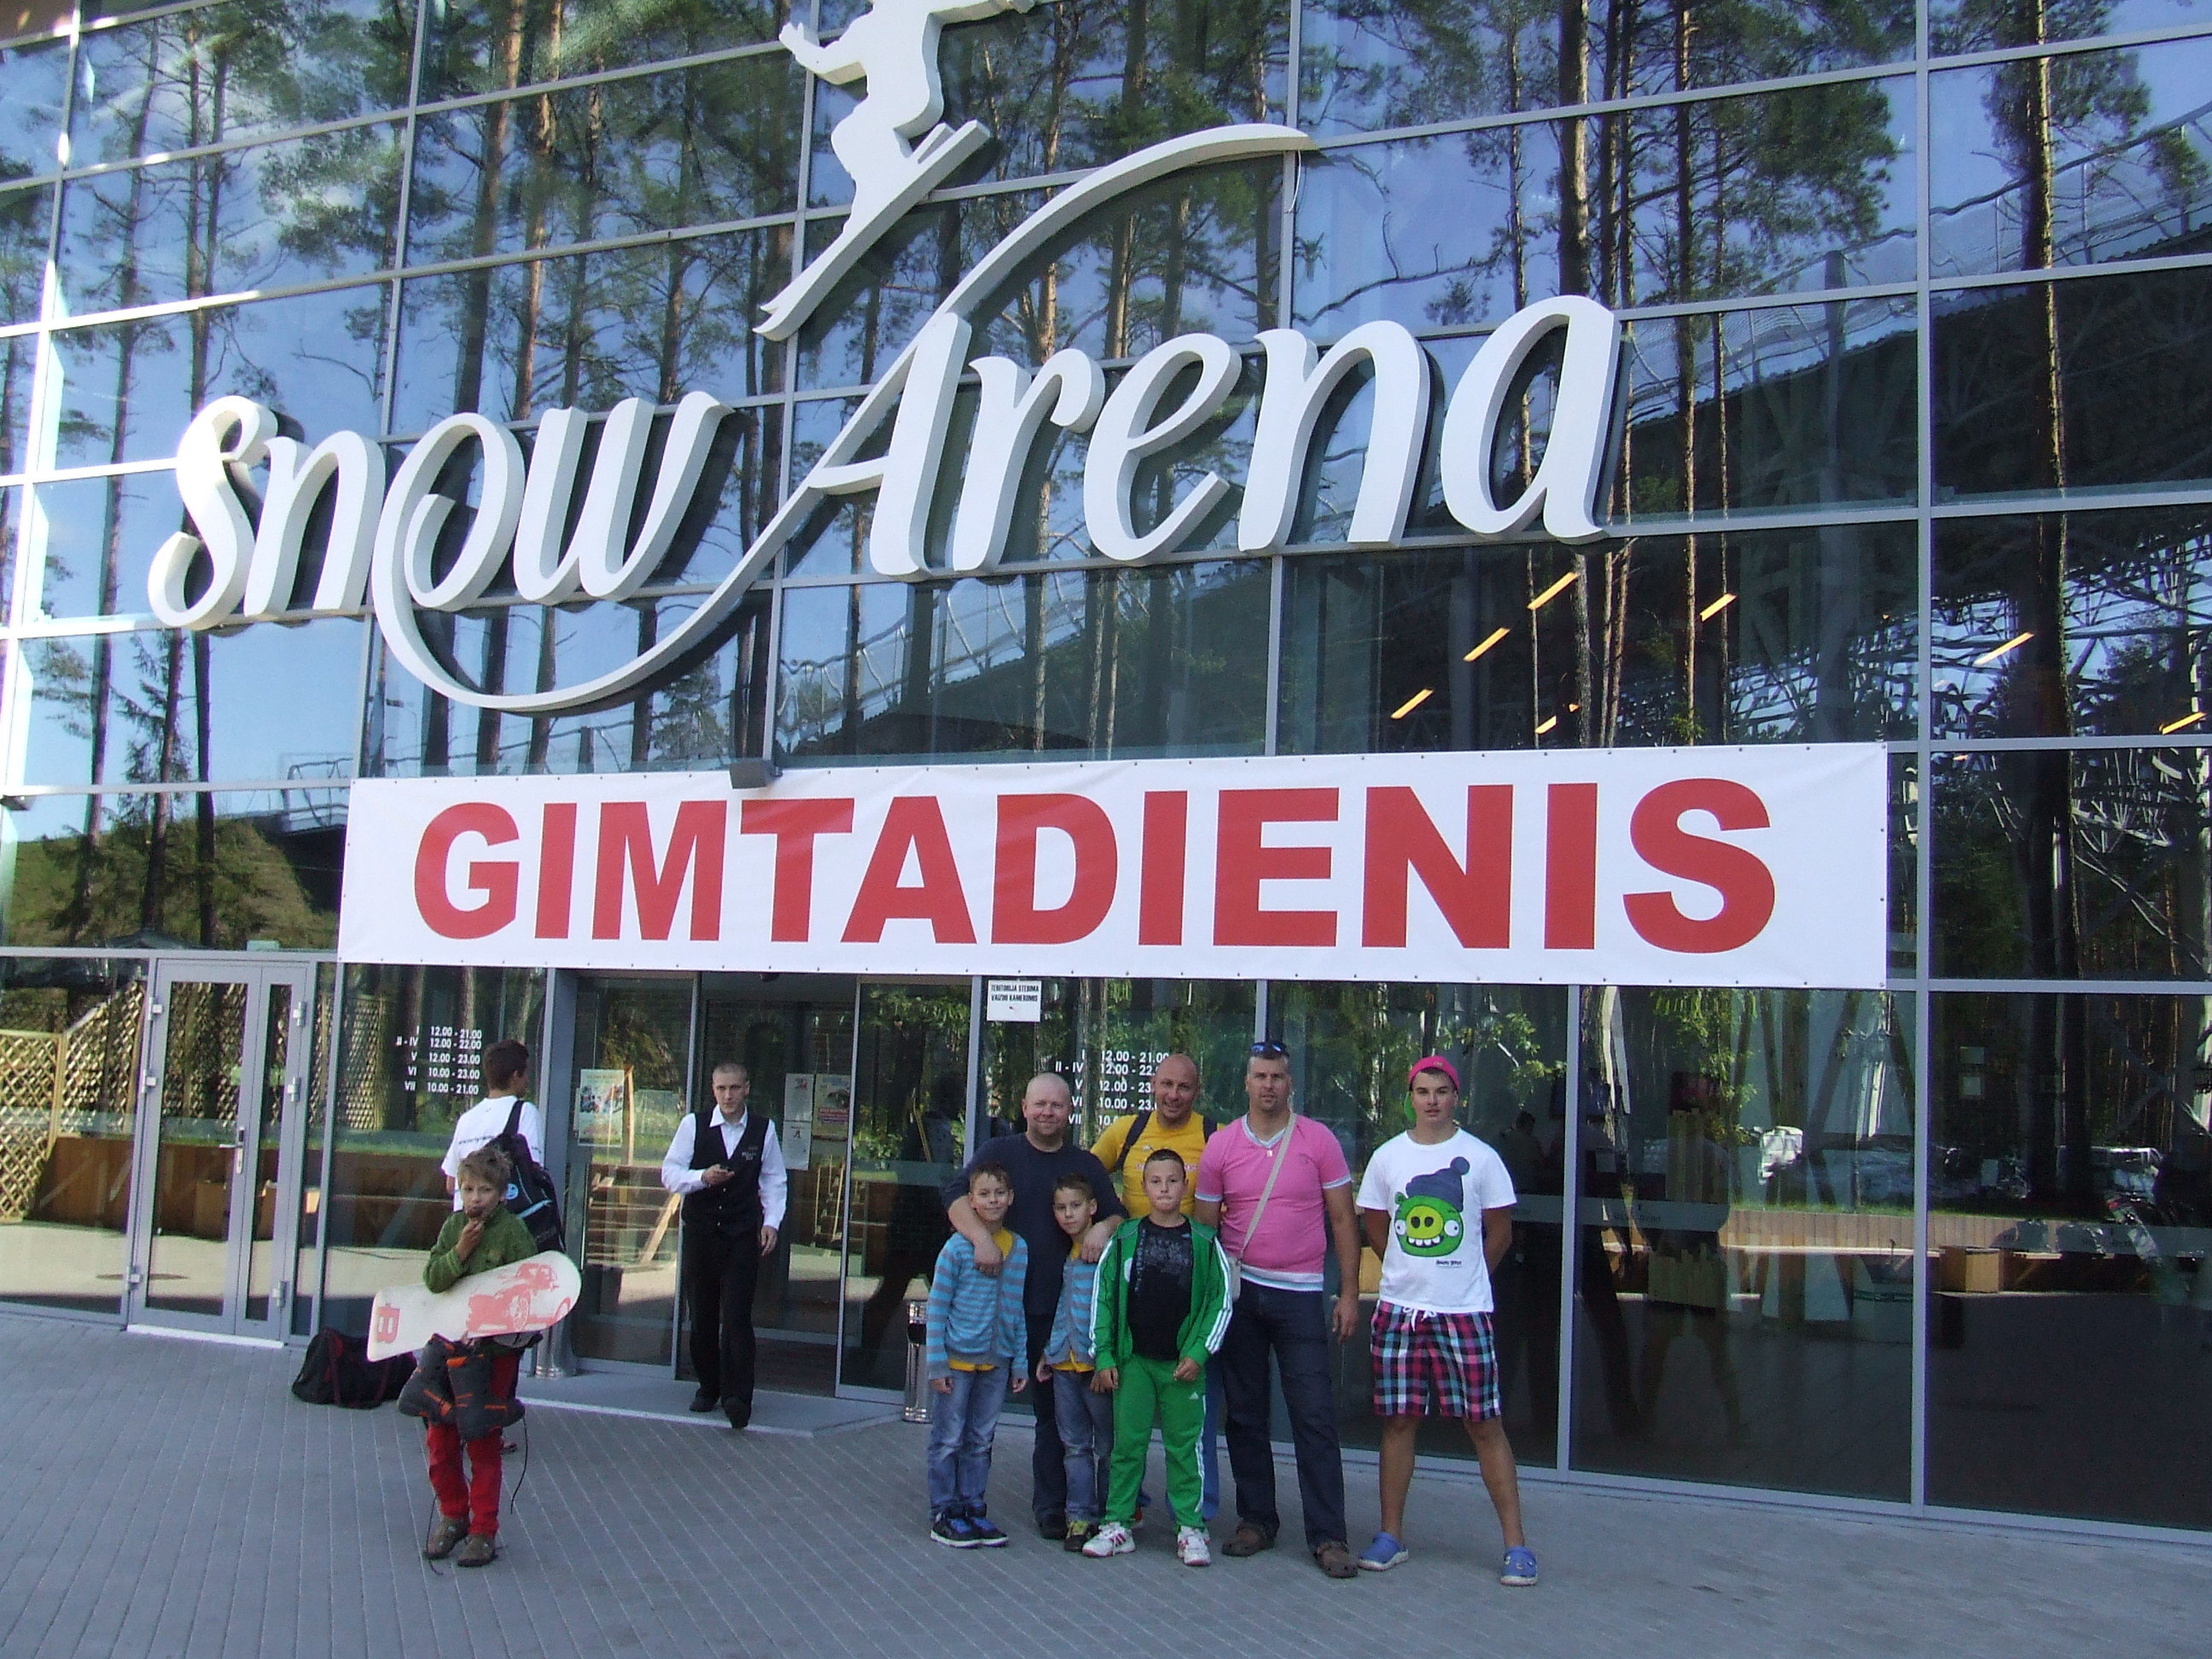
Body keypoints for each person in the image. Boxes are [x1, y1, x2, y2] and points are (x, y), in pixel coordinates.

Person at [1353, 1057, 1537, 1586]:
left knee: (1484, 1424)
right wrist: (1410, 1276)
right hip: (1400, 1311)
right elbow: (1376, 1227)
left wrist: (1465, 1280)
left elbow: (1499, 1233)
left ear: (1456, 1097)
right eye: (1422, 1091)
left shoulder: (1481, 1158)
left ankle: (1517, 1546)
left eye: (1441, 1091)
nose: (1431, 1100)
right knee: (1398, 1421)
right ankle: (1391, 1536)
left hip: (1464, 1313)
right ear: (1410, 1098)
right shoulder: (1388, 1157)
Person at [1194, 1040, 1362, 1579]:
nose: (1269, 1085)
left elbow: (1344, 1220)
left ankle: (1329, 1535)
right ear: (1246, 1083)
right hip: (1242, 1296)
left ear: (1290, 1084)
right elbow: (1204, 1231)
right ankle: (1256, 1521)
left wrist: (1350, 1293)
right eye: (1260, 1076)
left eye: (1278, 1077)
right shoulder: (1221, 1146)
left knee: (1313, 1415)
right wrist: (1205, 1304)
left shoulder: (1319, 1141)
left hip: (1301, 1295)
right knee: (1244, 1414)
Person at [942, 1072, 1123, 1538]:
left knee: (1054, 1418)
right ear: (1024, 1107)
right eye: (1039, 1104)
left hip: (1054, 1312)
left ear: (1070, 1111)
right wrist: (981, 1239)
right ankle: (954, 1505)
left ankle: (1054, 1508)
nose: (1047, 1112)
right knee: (967, 1417)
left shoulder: (1084, 1165)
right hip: (992, 1311)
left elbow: (1116, 1213)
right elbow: (955, 1195)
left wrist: (1102, 1230)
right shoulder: (998, 1153)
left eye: (1057, 1105)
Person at [1089, 1052, 1225, 1520]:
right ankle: (1127, 1509)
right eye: (1166, 1084)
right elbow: (1086, 1179)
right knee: (1131, 1423)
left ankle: (1195, 1516)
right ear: (1152, 1084)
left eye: (1184, 1087)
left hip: (1189, 1287)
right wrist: (1107, 1222)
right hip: (1136, 1284)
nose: (1173, 1095)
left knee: (1191, 1421)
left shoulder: (1215, 1136)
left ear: (1197, 1091)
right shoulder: (1125, 1132)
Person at [1082, 1150, 1231, 1568]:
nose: (1164, 1189)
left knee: (1185, 1449)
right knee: (1127, 1446)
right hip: (1134, 1364)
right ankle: (1117, 1523)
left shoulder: (1205, 1242)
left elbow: (1219, 1303)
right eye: (1155, 1181)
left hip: (1183, 1367)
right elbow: (1104, 1298)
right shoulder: (1125, 1238)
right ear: (1142, 1187)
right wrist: (1105, 1354)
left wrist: (1200, 1353)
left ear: (1185, 1186)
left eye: (1172, 1181)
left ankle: (1190, 1527)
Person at [419, 1144, 538, 1568]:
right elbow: (433, 1279)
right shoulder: (453, 1227)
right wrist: (460, 1253)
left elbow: (528, 1292)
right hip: (450, 1350)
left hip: (493, 1355)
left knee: (483, 1440)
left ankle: (484, 1529)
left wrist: (490, 1325)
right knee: (440, 1439)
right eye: (468, 1190)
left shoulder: (513, 1233)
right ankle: (453, 1516)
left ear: (501, 1194)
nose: (475, 1199)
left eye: (484, 1191)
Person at [661, 1061, 789, 1429]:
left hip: (742, 1234)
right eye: (721, 1089)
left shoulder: (763, 1130)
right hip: (702, 1232)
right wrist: (702, 1178)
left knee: (737, 1315)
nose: (728, 1096)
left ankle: (739, 1396)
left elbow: (774, 1180)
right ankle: (708, 1387)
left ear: (746, 1088)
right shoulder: (694, 1125)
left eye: (734, 1088)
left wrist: (771, 1222)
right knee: (702, 1314)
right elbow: (670, 1174)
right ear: (713, 1090)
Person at [924, 1161, 1028, 1547]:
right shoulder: (956, 1250)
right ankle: (944, 1510)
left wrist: (1019, 1359)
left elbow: (1016, 1308)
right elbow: (938, 1307)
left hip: (996, 1361)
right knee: (949, 1437)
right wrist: (937, 1362)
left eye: (999, 1193)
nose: (993, 1200)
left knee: (981, 1438)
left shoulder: (1019, 1249)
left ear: (1011, 1198)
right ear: (971, 1200)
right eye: (984, 1194)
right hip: (957, 1360)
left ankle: (972, 1505)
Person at [1034, 1172, 1114, 1551]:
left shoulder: (1106, 1255)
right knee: (1075, 1445)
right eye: (1061, 1208)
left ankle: (1114, 1514)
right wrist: (1050, 1352)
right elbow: (1064, 1309)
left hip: (1096, 1367)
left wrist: (1104, 1359)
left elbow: (1111, 1311)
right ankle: (1080, 1517)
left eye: (1076, 1206)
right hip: (1064, 1365)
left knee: (1108, 1446)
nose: (1068, 1215)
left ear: (1093, 1208)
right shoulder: (1065, 1254)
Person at [439, 1039, 543, 1208]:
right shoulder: (525, 1113)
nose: (527, 1080)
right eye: (525, 1074)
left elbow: (451, 1184)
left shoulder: (466, 1119)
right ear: (515, 1075)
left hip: (466, 1218)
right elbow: (533, 1172)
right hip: (503, 1217)